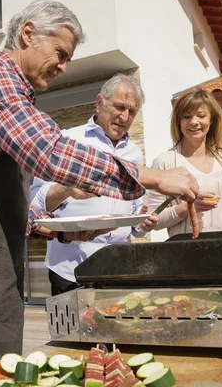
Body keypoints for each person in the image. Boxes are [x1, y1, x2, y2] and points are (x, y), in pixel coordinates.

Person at [0, 0, 198, 386]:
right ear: (27, 34)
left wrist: (59, 231)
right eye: (60, 53)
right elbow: (49, 151)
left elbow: (2, 206)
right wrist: (151, 176)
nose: (63, 67)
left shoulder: (15, 97)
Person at [30, 73, 159, 296]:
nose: (125, 116)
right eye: (119, 107)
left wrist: (142, 222)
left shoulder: (134, 153)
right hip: (71, 268)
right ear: (100, 103)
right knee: (70, 332)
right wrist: (68, 188)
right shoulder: (67, 141)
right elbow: (35, 202)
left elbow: (135, 213)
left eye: (132, 111)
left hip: (119, 268)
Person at [148, 87, 222, 238]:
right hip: (189, 252)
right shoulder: (164, 162)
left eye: (201, 115)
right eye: (186, 117)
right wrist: (189, 208)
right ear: (178, 122)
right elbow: (154, 219)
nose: (194, 122)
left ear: (211, 120)